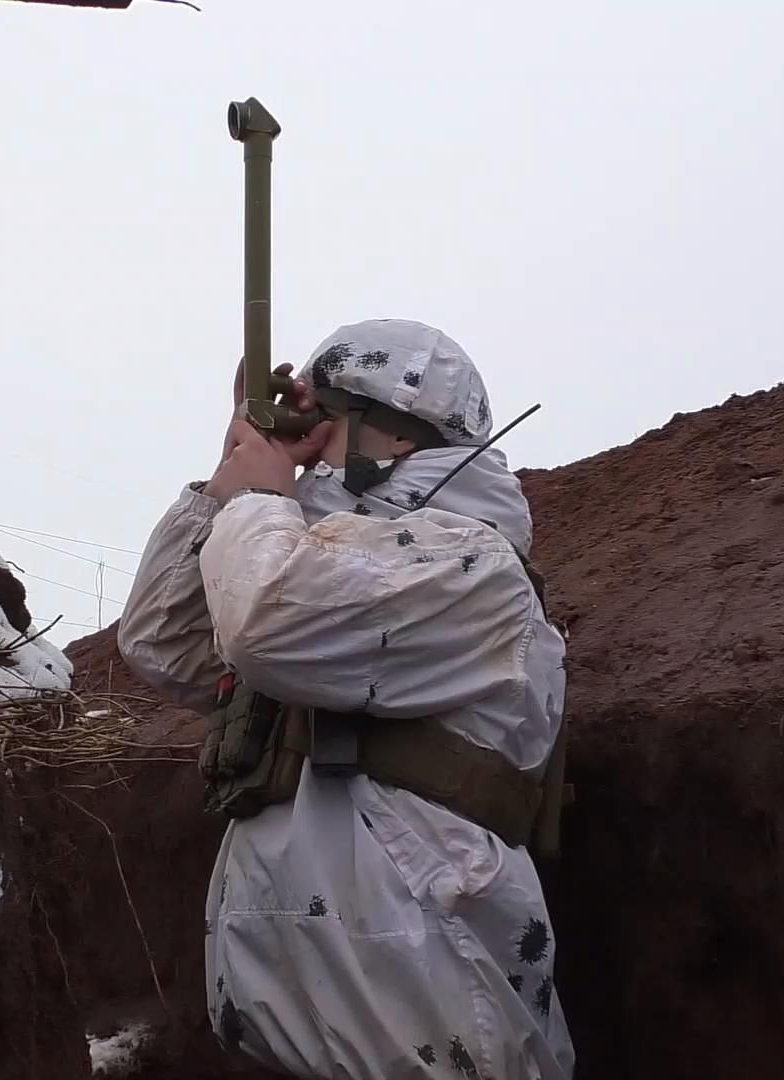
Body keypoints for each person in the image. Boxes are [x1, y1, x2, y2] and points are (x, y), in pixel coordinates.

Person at [117, 318, 574, 1079]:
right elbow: (164, 644)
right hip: (312, 1026)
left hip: (428, 1010)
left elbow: (264, 622)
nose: (307, 450)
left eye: (319, 424)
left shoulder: (470, 562)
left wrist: (264, 499)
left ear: (386, 433)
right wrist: (223, 491)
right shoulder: (317, 561)